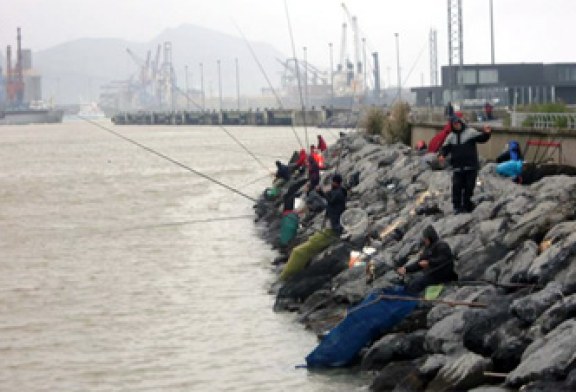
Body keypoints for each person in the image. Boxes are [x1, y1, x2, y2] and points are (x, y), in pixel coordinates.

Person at [278, 173, 347, 281]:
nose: (332, 184)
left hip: (334, 225)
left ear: (336, 182)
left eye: (333, 182)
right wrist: (321, 192)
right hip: (331, 222)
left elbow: (330, 200)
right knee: (310, 241)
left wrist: (321, 192)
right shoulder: (338, 191)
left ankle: (285, 276)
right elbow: (329, 199)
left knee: (298, 251)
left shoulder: (338, 193)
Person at [439, 115, 491, 214]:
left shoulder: (470, 132)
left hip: (471, 166)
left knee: (469, 187)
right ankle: (457, 207)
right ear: (452, 125)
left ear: (461, 122)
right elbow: (445, 148)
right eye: (454, 124)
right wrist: (441, 155)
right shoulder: (450, 137)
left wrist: (487, 133)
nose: (457, 125)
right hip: (457, 168)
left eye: (458, 123)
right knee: (456, 186)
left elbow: (482, 138)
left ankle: (467, 205)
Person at [396, 225, 457, 295]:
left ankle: (412, 300)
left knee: (416, 283)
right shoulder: (428, 248)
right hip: (432, 273)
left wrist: (429, 262)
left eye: (425, 238)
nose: (424, 240)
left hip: (442, 275)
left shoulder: (442, 245)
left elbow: (443, 259)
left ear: (430, 237)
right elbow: (419, 264)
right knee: (411, 280)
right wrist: (406, 269)